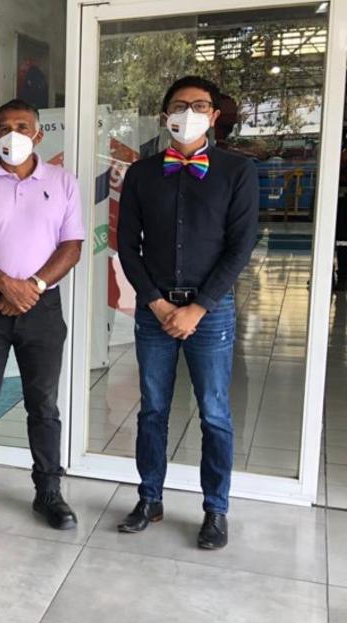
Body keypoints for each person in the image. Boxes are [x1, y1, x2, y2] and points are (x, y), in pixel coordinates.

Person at [116, 76, 259, 550]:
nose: (189, 113)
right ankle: (149, 498)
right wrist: (157, 303)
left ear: (214, 116)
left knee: (215, 413)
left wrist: (199, 307)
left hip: (209, 313)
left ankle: (215, 510)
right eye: (180, 105)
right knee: (152, 410)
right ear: (165, 115)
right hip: (154, 310)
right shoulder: (141, 174)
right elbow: (127, 247)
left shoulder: (236, 172)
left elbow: (240, 248)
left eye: (200, 105)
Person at [0, 99, 85, 530]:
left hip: (42, 307)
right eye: (3, 126)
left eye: (22, 126)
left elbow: (72, 245)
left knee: (43, 404)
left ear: (38, 134)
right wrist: (7, 284)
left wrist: (32, 287)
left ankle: (49, 493)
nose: (12, 134)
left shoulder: (63, 182)